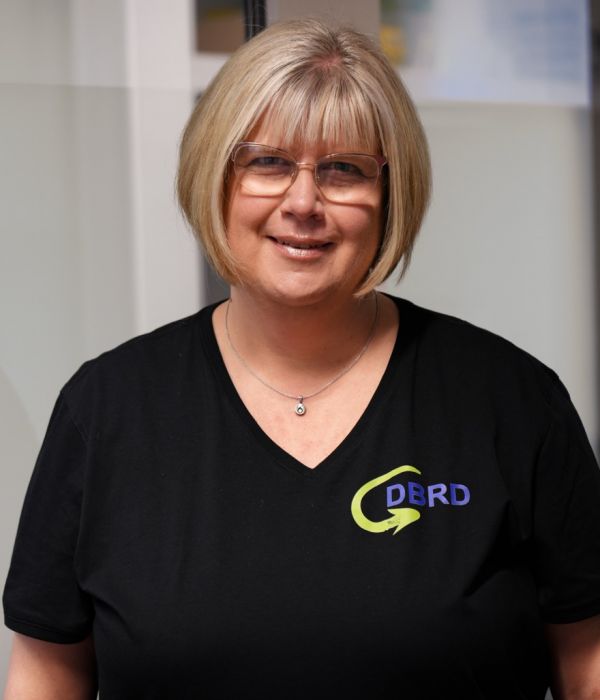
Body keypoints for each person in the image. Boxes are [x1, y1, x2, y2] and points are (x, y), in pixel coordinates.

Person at [3, 17, 600, 699]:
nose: (304, 202)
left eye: (344, 169)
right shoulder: (106, 409)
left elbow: (587, 667)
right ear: (213, 176)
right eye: (267, 162)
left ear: (390, 194)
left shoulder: (512, 401)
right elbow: (47, 675)